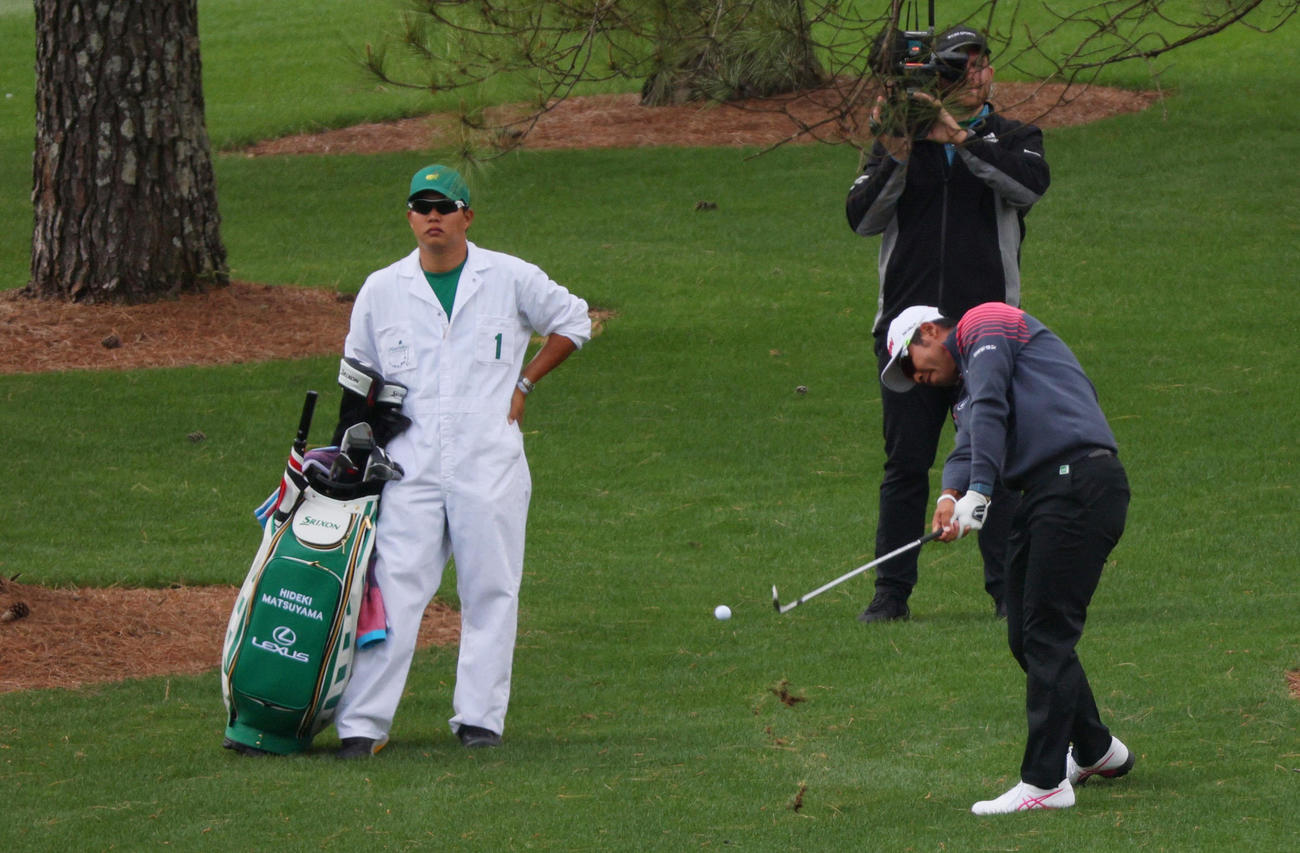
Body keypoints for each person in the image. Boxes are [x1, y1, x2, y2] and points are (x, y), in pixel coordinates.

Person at [332, 164, 592, 757]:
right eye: (421, 206)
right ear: (409, 216)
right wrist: (360, 441)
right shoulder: (382, 288)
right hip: (409, 464)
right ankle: (362, 725)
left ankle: (480, 720)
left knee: (491, 589)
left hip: (488, 460)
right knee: (394, 589)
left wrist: (524, 384)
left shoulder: (509, 277)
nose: (432, 217)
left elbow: (574, 321)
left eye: (443, 207)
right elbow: (357, 371)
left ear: (466, 216)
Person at [879, 301, 1134, 814]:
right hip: (1043, 493)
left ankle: (1044, 784)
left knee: (1046, 634)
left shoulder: (985, 323)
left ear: (931, 331)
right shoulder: (969, 385)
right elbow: (970, 437)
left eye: (914, 363)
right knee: (1025, 633)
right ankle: (1095, 749)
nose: (918, 378)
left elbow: (992, 405)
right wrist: (951, 495)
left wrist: (980, 491)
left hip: (1077, 482)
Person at [845, 26, 1051, 622]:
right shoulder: (895, 147)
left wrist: (959, 138)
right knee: (906, 466)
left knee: (998, 463)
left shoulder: (1013, 137)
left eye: (982, 65)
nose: (977, 75)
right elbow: (861, 219)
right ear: (937, 79)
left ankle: (1007, 595)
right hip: (911, 341)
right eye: (962, 68)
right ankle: (890, 597)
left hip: (988, 335)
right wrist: (903, 151)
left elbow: (1027, 186)